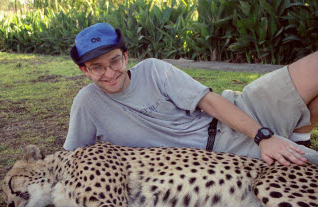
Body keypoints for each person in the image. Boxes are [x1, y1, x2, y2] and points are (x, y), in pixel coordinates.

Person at [64, 23, 318, 166]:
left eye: (115, 61)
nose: (109, 73)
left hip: (241, 110)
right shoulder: (88, 104)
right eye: (97, 67)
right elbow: (71, 157)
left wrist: (264, 136)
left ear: (126, 56)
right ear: (84, 70)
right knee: (310, 166)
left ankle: (297, 137)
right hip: (225, 148)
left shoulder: (154, 70)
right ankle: (296, 144)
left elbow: (210, 102)